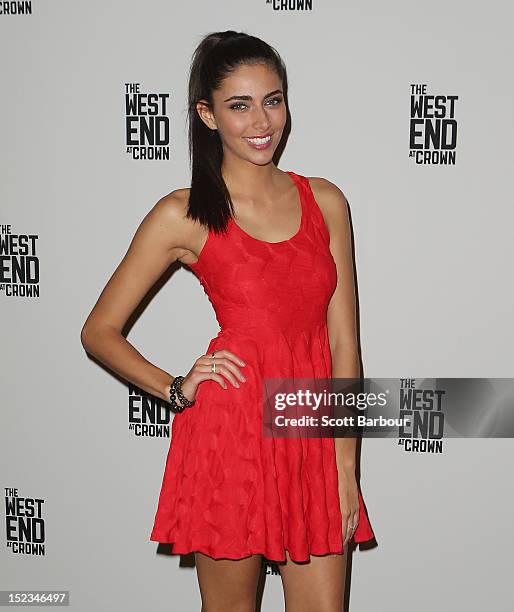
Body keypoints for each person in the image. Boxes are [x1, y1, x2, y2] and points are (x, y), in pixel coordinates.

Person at [81, 30, 375, 612]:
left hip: (312, 435)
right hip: (232, 433)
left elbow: (344, 343)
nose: (262, 120)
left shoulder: (326, 201)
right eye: (239, 105)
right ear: (207, 114)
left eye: (273, 99)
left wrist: (345, 460)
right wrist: (173, 385)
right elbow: (98, 331)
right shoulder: (183, 213)